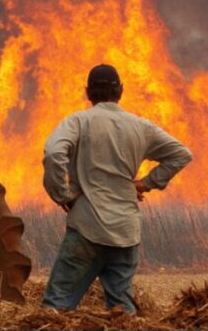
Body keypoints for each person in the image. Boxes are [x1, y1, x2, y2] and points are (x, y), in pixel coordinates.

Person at [41, 64, 193, 313]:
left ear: (87, 92)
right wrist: (146, 182)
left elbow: (54, 153)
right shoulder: (141, 127)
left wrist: (62, 195)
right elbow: (182, 154)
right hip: (125, 232)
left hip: (87, 227)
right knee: (122, 313)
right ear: (121, 91)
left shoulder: (78, 121)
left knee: (55, 309)